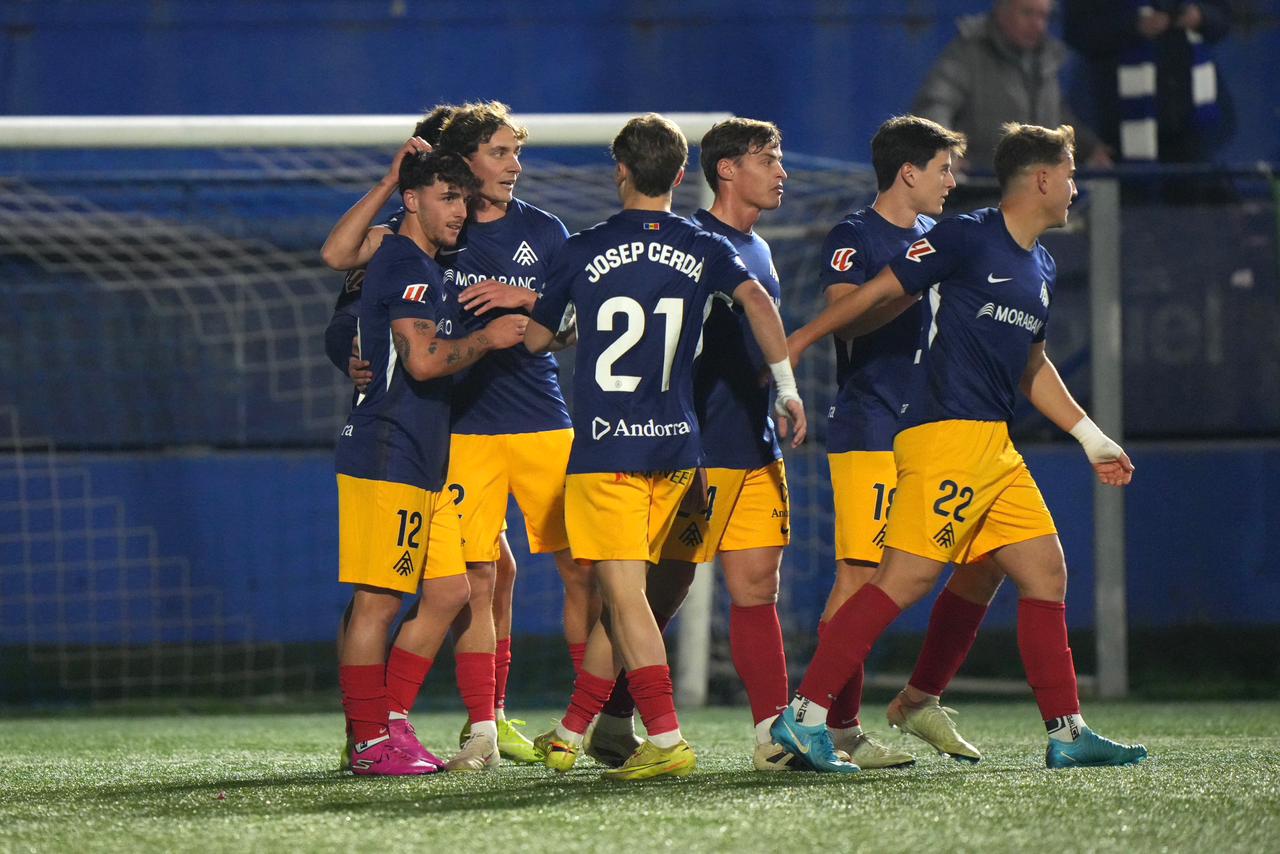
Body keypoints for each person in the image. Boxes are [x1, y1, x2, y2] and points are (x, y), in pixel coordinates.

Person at [775, 122, 1148, 772]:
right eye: (1069, 174)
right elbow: (884, 289)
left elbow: (1033, 363)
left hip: (993, 445)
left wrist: (1090, 435)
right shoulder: (965, 234)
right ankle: (803, 717)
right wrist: (802, 340)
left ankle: (1066, 731)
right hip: (945, 434)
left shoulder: (1043, 265)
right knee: (902, 579)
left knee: (1044, 570)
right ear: (1040, 179)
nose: (1074, 188)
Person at [524, 113, 806, 781]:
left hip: (607, 450)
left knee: (626, 599)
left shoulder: (584, 247)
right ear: (682, 176)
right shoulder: (704, 243)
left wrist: (568, 328)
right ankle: (575, 729)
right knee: (651, 597)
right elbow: (760, 304)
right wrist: (788, 387)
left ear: (620, 170)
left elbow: (537, 341)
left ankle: (667, 735)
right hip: (682, 454)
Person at [323, 102, 598, 770]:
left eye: (515, 153)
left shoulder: (543, 230)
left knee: (584, 570)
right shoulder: (420, 232)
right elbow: (351, 302)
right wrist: (346, 353)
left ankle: (594, 719)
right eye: (500, 153)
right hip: (454, 432)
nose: (513, 166)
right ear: (465, 160)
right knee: (466, 582)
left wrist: (526, 301)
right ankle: (468, 726)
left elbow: (581, 326)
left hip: (540, 420)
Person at [814, 115, 1001, 768]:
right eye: (945, 168)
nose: (954, 180)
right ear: (909, 172)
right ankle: (836, 729)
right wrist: (909, 278)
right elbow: (848, 322)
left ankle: (921, 698)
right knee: (861, 575)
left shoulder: (940, 236)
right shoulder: (854, 235)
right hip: (872, 427)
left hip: (939, 430)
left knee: (991, 556)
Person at [334, 149, 527, 776]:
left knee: (443, 589)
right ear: (412, 200)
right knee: (379, 601)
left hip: (412, 448)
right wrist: (486, 339)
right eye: (448, 197)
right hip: (389, 445)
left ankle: (385, 725)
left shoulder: (417, 262)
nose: (461, 211)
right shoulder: (405, 263)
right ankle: (369, 742)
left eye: (464, 200)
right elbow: (420, 361)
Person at [913, 0, 1110, 175]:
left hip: (1040, 193)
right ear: (1001, 10)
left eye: (1044, 16)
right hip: (984, 190)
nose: (1037, 25)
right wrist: (942, 150)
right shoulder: (968, 54)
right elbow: (936, 104)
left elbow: (1057, 115)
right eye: (1027, 13)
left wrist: (1090, 148)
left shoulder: (1048, 59)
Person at [1063, 1, 1233, 166]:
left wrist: (1200, 15)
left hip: (1192, 127)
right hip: (1123, 128)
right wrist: (1134, 26)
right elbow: (1078, 31)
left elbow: (1223, 16)